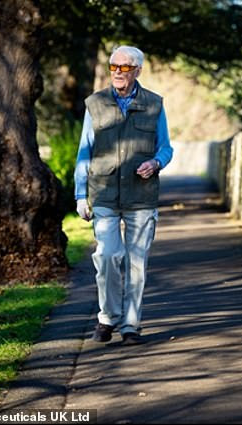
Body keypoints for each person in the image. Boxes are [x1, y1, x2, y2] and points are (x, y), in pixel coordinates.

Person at [74, 45, 173, 345]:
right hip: (103, 193)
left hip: (141, 196)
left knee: (136, 264)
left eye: (125, 67)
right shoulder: (95, 103)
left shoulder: (155, 105)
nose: (117, 72)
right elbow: (84, 152)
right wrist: (81, 195)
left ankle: (130, 325)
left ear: (138, 71)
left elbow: (166, 148)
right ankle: (107, 318)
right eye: (113, 66)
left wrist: (156, 163)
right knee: (106, 256)